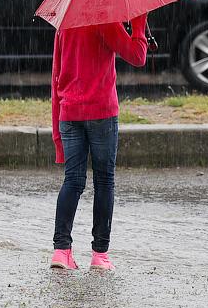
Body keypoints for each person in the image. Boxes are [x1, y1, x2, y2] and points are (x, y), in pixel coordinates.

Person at [49, 14, 148, 270]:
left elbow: (56, 76)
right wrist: (139, 23)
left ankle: (61, 251)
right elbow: (137, 56)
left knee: (72, 181)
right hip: (101, 112)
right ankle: (99, 255)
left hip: (68, 112)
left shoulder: (65, 23)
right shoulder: (104, 20)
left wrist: (57, 134)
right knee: (104, 180)